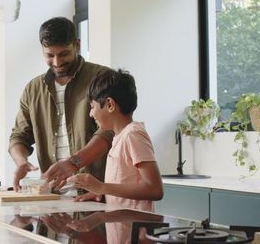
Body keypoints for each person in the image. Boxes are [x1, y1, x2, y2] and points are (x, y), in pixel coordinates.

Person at [9, 17, 114, 192]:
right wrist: (21, 162)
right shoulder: (33, 89)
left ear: (77, 45)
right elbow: (19, 136)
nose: (57, 62)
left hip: (96, 193)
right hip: (53, 194)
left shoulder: (102, 78)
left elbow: (109, 130)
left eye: (64, 54)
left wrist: (74, 162)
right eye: (50, 55)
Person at [55, 69, 164, 211]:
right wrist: (102, 192)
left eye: (92, 107)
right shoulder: (119, 137)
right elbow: (126, 184)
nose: (90, 114)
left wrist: (102, 187)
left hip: (134, 230)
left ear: (110, 105)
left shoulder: (133, 135)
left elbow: (155, 189)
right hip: (120, 228)